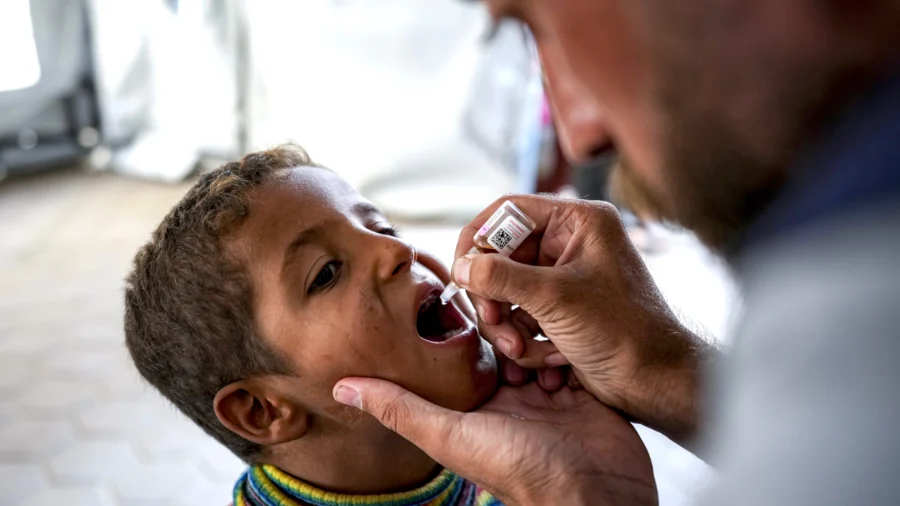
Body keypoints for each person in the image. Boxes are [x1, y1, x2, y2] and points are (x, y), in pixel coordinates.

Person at [331, 1, 900, 505]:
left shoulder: (855, 330)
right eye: (324, 273)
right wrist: (660, 370)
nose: (581, 136)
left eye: (542, 24)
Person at [123, 145, 650, 505]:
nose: (397, 250)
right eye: (325, 274)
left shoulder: (525, 470)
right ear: (262, 410)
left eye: (381, 227)